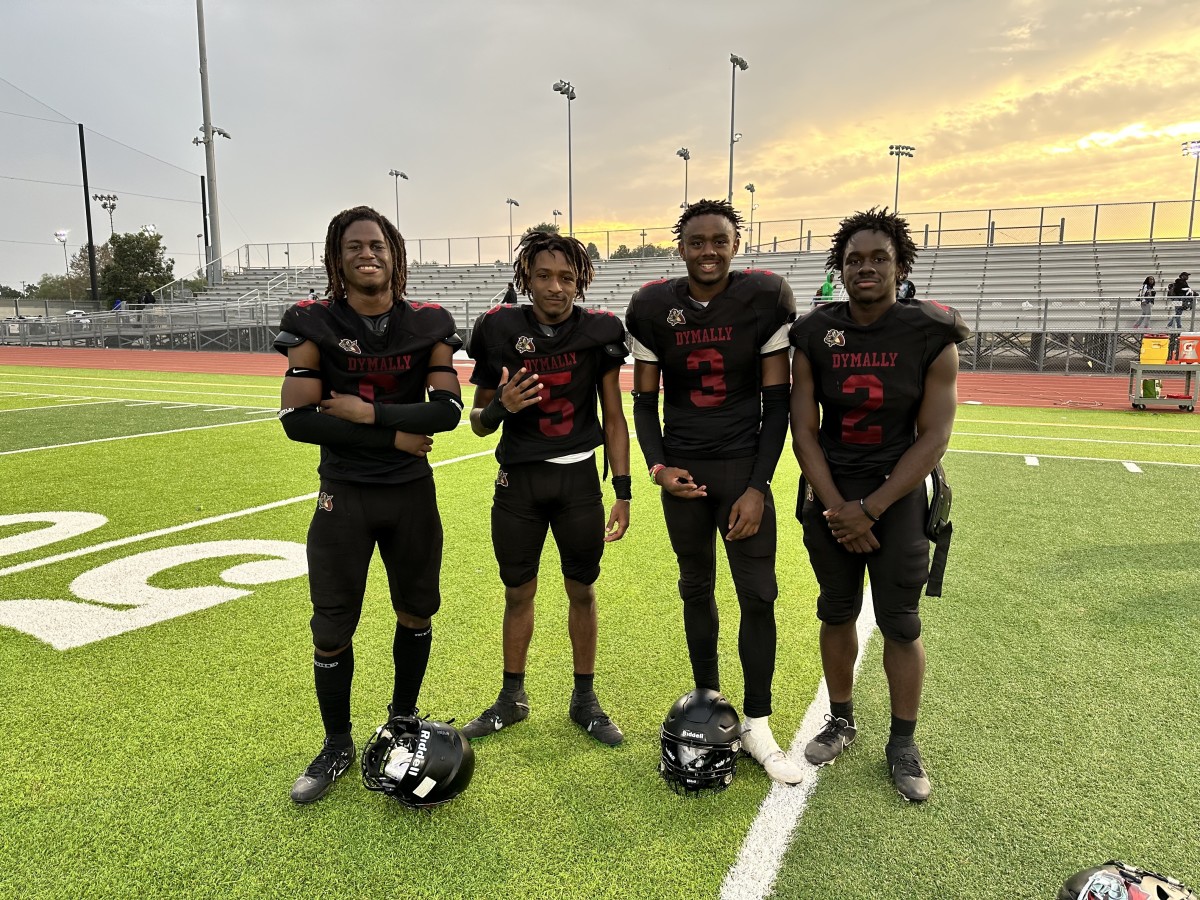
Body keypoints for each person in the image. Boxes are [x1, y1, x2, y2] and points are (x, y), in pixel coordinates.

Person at [274, 205, 464, 804]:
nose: (368, 254)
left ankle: (402, 718)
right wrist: (393, 436)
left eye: (377, 245)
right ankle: (336, 744)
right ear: (338, 256)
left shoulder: (428, 321)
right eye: (355, 246)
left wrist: (369, 412)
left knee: (416, 613)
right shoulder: (312, 321)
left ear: (395, 252)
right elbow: (298, 422)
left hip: (410, 496)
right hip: (346, 495)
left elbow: (449, 413)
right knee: (331, 629)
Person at [789, 207, 969, 802]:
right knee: (835, 611)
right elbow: (805, 432)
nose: (866, 268)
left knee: (900, 622)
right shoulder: (815, 333)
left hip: (897, 498)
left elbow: (934, 436)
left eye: (879, 258)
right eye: (854, 260)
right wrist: (841, 506)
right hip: (831, 495)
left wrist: (871, 507)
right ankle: (841, 718)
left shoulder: (931, 331)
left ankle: (902, 740)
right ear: (840, 269)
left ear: (900, 264)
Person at [625, 199, 801, 784]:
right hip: (683, 472)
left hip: (740, 467)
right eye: (696, 241)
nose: (708, 251)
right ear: (680, 247)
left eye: (719, 240)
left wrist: (757, 487)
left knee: (759, 594)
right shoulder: (654, 306)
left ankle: (757, 720)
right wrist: (657, 468)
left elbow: (776, 405)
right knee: (695, 587)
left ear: (736, 244)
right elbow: (644, 403)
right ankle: (709, 702)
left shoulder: (764, 297)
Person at [461, 232, 631, 746]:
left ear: (580, 279)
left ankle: (585, 698)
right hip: (519, 482)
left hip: (579, 479)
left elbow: (614, 416)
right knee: (519, 592)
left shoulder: (599, 330)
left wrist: (622, 490)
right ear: (525, 278)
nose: (556, 287)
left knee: (582, 589)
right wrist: (500, 408)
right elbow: (478, 422)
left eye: (566, 276)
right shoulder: (499, 327)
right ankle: (512, 698)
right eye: (543, 276)